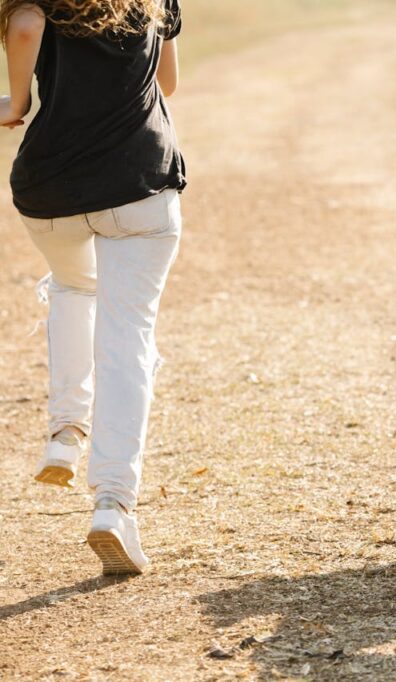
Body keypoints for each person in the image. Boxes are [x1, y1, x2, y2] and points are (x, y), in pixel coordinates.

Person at [1, 0, 185, 575]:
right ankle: (112, 503)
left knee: (75, 288)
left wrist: (20, 101)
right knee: (127, 336)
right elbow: (169, 83)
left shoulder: (38, 3)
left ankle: (65, 430)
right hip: (140, 186)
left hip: (49, 191)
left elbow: (27, 25)